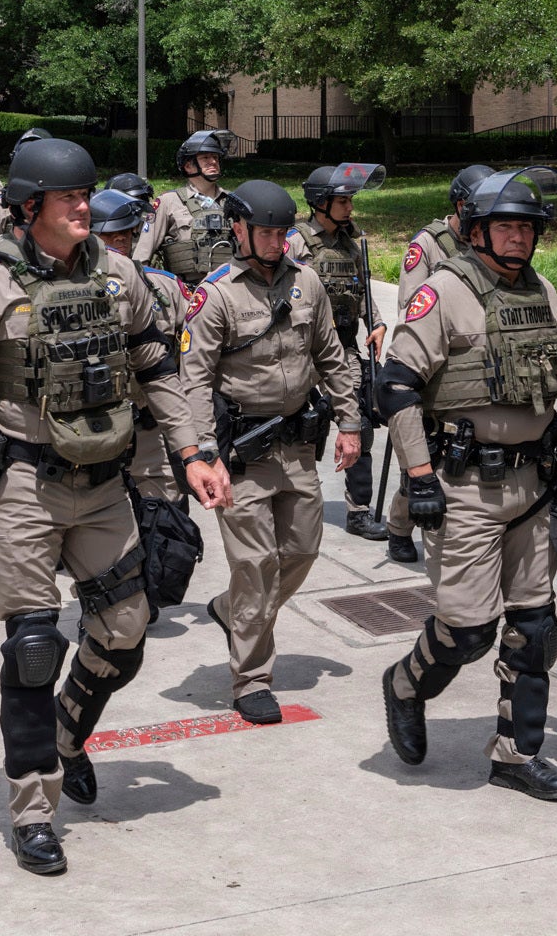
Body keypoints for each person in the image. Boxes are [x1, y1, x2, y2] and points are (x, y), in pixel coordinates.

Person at [0, 137, 192, 875]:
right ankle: (34, 810)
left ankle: (72, 731)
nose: (85, 206)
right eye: (70, 197)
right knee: (34, 650)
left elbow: (157, 362)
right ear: (29, 206)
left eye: (87, 195)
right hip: (22, 489)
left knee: (127, 631)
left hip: (105, 485)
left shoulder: (121, 275)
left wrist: (196, 453)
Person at [378, 167, 557, 801]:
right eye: (505, 226)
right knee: (469, 632)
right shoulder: (444, 292)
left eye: (527, 228)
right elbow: (395, 384)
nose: (518, 238)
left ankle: (515, 755)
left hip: (531, 486)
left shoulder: (543, 292)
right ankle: (405, 683)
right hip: (464, 489)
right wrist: (419, 475)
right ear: (477, 229)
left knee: (534, 627)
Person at [167, 179, 363, 724]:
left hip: (297, 446)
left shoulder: (308, 284)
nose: (278, 243)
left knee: (300, 551)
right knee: (254, 565)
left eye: (282, 233)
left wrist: (350, 421)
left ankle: (232, 611)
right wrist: (203, 453)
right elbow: (194, 381)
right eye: (267, 233)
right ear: (239, 230)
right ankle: (251, 678)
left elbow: (333, 355)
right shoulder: (216, 295)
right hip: (241, 455)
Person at [379, 167, 494, 563]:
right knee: (423, 454)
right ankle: (399, 527)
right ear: (462, 205)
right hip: (432, 363)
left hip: (476, 366)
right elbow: (411, 307)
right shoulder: (428, 244)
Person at [286, 163, 392, 540]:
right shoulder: (296, 242)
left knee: (359, 422)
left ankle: (358, 511)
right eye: (342, 200)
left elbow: (362, 290)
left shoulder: (352, 242)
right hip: (301, 350)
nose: (349, 207)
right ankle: (296, 501)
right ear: (320, 202)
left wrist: (376, 323)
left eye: (350, 200)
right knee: (303, 427)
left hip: (343, 348)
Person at [91, 186, 189, 507]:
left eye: (126, 236)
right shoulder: (72, 292)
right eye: (111, 237)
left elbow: (194, 354)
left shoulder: (166, 285)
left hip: (153, 435)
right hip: (95, 434)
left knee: (168, 537)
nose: (121, 243)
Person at [135, 129, 237, 285]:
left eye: (216, 157)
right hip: (185, 293)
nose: (213, 162)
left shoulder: (233, 202)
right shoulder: (168, 202)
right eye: (205, 157)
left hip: (228, 290)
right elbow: (141, 258)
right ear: (188, 166)